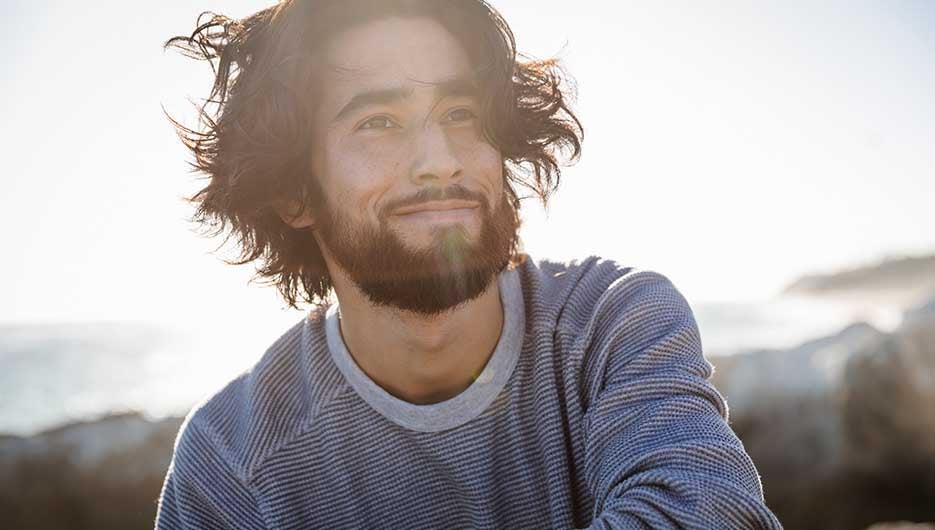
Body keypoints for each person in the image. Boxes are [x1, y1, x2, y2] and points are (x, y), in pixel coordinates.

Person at [156, 1, 783, 528]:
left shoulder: (611, 325)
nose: (441, 161)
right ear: (293, 191)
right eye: (379, 122)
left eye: (461, 114)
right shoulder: (231, 460)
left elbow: (708, 512)